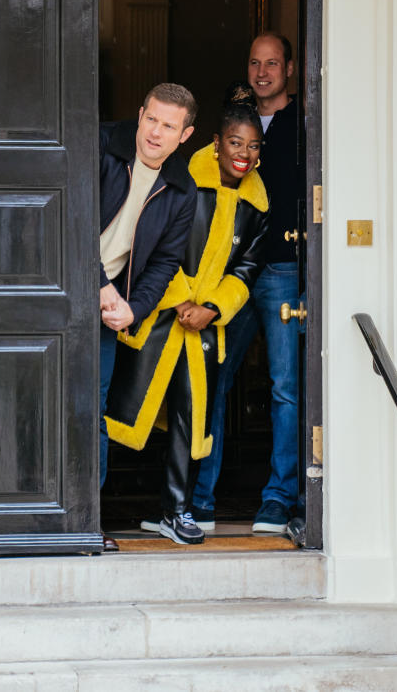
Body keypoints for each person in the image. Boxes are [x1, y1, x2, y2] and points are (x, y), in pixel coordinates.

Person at [106, 90, 268, 544]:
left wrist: (213, 308)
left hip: (202, 328)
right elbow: (156, 242)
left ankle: (175, 510)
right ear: (215, 142)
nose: (244, 155)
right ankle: (95, 509)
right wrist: (178, 299)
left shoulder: (258, 206)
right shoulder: (181, 179)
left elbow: (247, 268)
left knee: (188, 415)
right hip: (155, 314)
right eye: (236, 143)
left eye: (253, 147)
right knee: (120, 407)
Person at [191, 32, 306, 536]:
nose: (263, 72)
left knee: (285, 388)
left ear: (290, 68)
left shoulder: (307, 121)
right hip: (227, 276)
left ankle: (279, 499)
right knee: (213, 382)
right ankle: (198, 501)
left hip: (282, 269)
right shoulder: (227, 126)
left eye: (273, 63)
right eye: (255, 63)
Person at [98, 83, 199, 547]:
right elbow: (69, 220)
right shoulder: (99, 146)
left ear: (186, 135)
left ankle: (83, 518)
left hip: (108, 307)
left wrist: (133, 308)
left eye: (169, 126)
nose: (156, 133)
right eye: (152, 119)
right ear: (139, 115)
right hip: (63, 289)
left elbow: (164, 263)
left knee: (90, 410)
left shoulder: (181, 188)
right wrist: (100, 285)